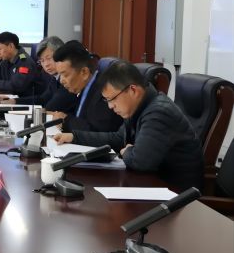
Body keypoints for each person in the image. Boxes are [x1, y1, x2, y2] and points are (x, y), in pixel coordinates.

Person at [54, 60, 203, 191]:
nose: (110, 106)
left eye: (112, 99)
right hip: (152, 184)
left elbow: (140, 162)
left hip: (176, 195)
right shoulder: (139, 106)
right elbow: (118, 138)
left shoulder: (159, 112)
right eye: (107, 100)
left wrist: (128, 151)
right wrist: (74, 137)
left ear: (133, 90)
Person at [51, 40, 123, 133]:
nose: (61, 80)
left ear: (84, 72)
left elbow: (97, 132)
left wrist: (65, 120)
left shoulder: (103, 92)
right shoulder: (84, 87)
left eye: (65, 75)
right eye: (60, 75)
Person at [3, 36, 77, 112]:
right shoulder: (54, 77)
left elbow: (50, 107)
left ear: (61, 54)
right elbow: (42, 99)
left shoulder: (67, 80)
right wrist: (14, 101)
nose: (46, 64)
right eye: (42, 60)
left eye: (49, 58)